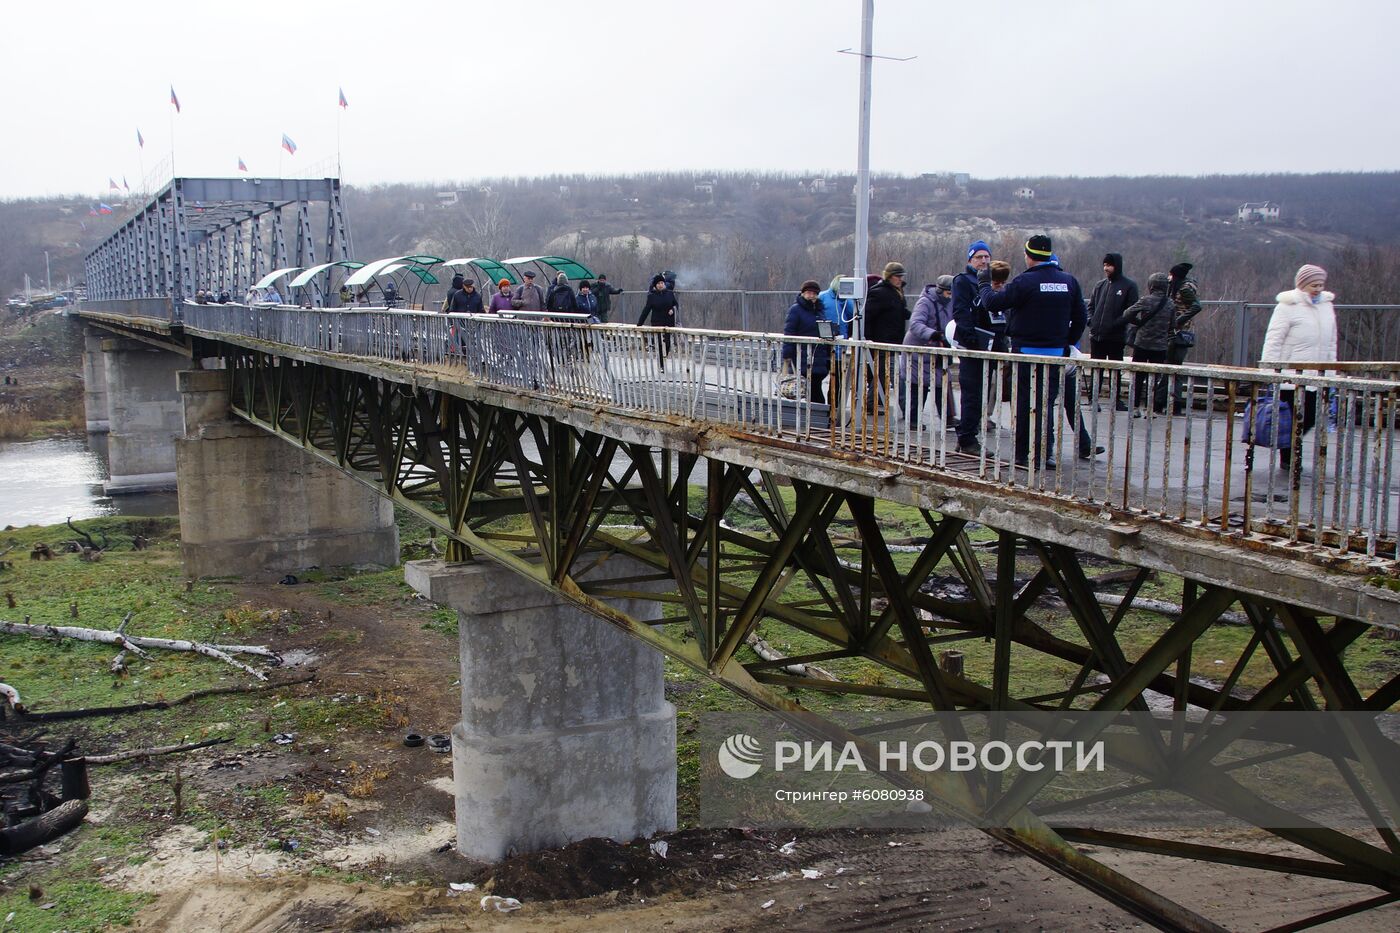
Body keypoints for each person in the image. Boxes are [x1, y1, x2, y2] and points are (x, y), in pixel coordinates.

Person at [978, 234, 1087, 468]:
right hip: (1056, 354)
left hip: (1026, 353)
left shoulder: (1024, 282)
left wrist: (984, 284)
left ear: (1028, 256)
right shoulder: (1069, 281)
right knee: (1046, 405)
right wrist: (1068, 343)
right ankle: (1044, 453)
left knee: (1025, 405)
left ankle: (1022, 455)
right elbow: (1081, 317)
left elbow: (992, 303)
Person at [1260, 264, 1337, 469]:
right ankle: (1291, 458)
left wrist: (1330, 371)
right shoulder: (1287, 306)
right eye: (1314, 284)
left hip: (1315, 373)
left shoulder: (1327, 306)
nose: (1318, 289)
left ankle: (1290, 447)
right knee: (1291, 415)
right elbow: (1274, 339)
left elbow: (1331, 343)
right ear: (1302, 285)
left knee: (1309, 415)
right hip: (1290, 373)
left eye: (1321, 284)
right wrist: (1269, 371)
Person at [952, 240, 1003, 454]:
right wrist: (972, 339)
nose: (983, 260)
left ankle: (965, 433)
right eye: (979, 257)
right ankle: (967, 439)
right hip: (974, 345)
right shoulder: (964, 281)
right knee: (972, 393)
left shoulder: (992, 282)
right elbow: (960, 311)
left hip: (991, 344)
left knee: (982, 394)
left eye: (986, 257)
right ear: (970, 260)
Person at [900, 274, 957, 431]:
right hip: (919, 349)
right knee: (918, 385)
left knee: (944, 382)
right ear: (940, 291)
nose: (950, 296)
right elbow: (915, 324)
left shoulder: (952, 303)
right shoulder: (925, 302)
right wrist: (933, 334)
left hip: (938, 347)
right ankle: (913, 419)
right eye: (948, 293)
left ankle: (948, 417)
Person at [863, 261, 910, 413]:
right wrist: (868, 339)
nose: (900, 279)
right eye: (897, 276)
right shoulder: (880, 292)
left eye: (901, 276)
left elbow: (899, 312)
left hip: (893, 340)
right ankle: (873, 402)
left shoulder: (897, 292)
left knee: (885, 374)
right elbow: (867, 316)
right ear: (890, 277)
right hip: (881, 340)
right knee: (884, 374)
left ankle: (875, 401)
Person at [1122, 272, 1173, 414]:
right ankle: (1150, 409)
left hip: (1142, 343)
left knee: (1138, 377)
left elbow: (1127, 313)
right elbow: (1173, 325)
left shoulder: (1146, 300)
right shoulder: (1170, 303)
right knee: (1155, 378)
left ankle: (1135, 407)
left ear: (1151, 285)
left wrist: (1138, 323)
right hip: (1160, 346)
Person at [782, 281, 833, 403]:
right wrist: (787, 357)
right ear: (803, 293)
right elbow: (789, 333)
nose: (812, 296)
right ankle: (819, 417)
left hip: (819, 356)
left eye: (814, 294)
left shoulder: (820, 310)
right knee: (814, 390)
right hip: (803, 357)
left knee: (815, 388)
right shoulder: (796, 310)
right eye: (809, 293)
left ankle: (816, 417)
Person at [1086, 253, 1139, 362]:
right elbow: (1090, 307)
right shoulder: (1100, 285)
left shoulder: (1129, 286)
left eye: (1109, 265)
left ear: (1117, 266)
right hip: (1096, 337)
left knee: (1114, 374)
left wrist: (1114, 324)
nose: (1106, 268)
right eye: (1104, 265)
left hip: (1116, 339)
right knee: (1095, 372)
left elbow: (1131, 311)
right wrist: (1091, 321)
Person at [1165, 262, 1202, 413]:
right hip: (1181, 332)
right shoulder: (1182, 287)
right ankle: (1173, 403)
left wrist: (1179, 320)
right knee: (1173, 367)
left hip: (1179, 332)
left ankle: (1174, 403)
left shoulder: (1184, 289)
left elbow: (1196, 306)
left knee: (1173, 367)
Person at [818, 274, 852, 403]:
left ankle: (834, 408)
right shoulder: (823, 297)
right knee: (818, 379)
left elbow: (852, 316)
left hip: (839, 348)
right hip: (824, 347)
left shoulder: (847, 301)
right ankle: (820, 408)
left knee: (837, 381)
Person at [637, 273, 679, 368]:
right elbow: (646, 310)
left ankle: (664, 358)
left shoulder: (670, 294)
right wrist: (639, 324)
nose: (660, 285)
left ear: (664, 284)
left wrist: (673, 309)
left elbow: (675, 304)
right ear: (655, 285)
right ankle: (661, 364)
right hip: (657, 322)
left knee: (668, 343)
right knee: (659, 343)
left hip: (668, 322)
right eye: (658, 283)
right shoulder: (652, 296)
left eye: (662, 283)